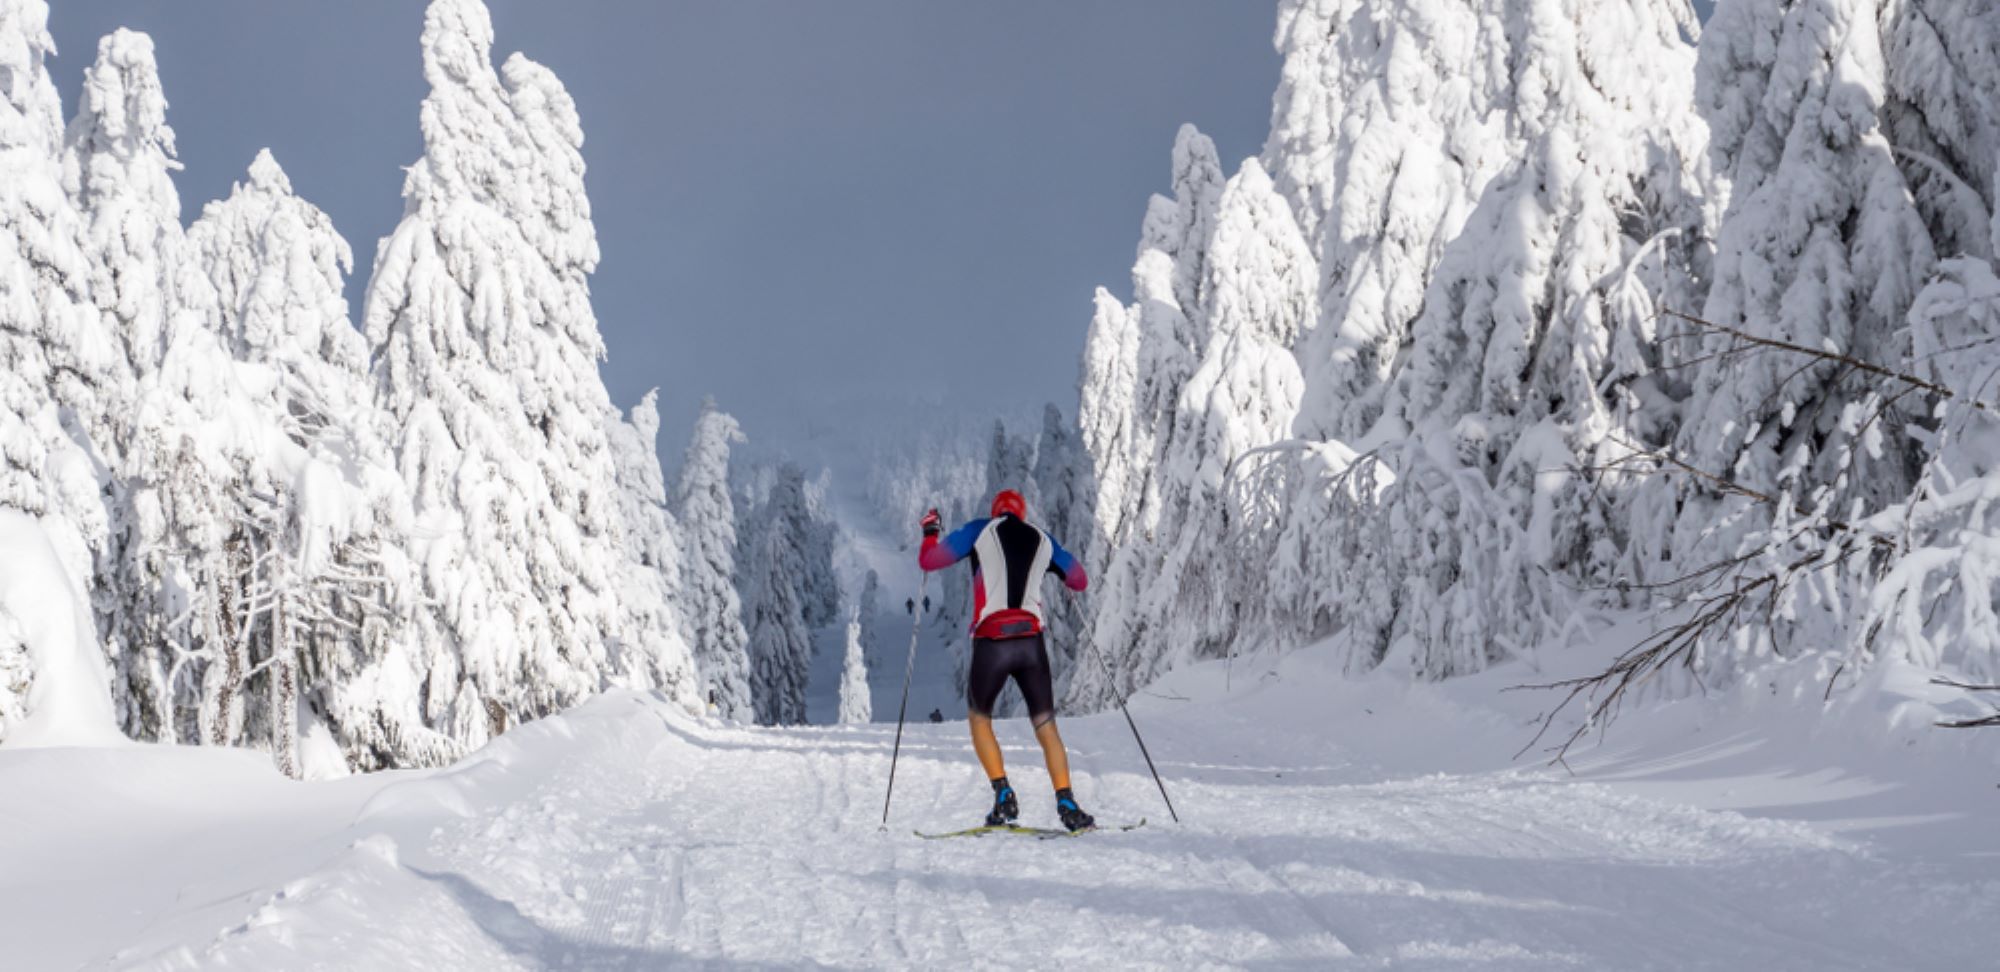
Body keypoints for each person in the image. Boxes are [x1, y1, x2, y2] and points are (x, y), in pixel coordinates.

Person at [919, 489, 1093, 831]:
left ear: (996, 511)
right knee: (1046, 726)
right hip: (1031, 644)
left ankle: (1003, 795)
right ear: (1022, 514)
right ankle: (1067, 801)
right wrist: (1054, 569)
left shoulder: (979, 530)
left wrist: (930, 532)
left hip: (992, 642)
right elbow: (1079, 580)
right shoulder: (1043, 540)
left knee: (980, 719)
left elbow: (930, 561)